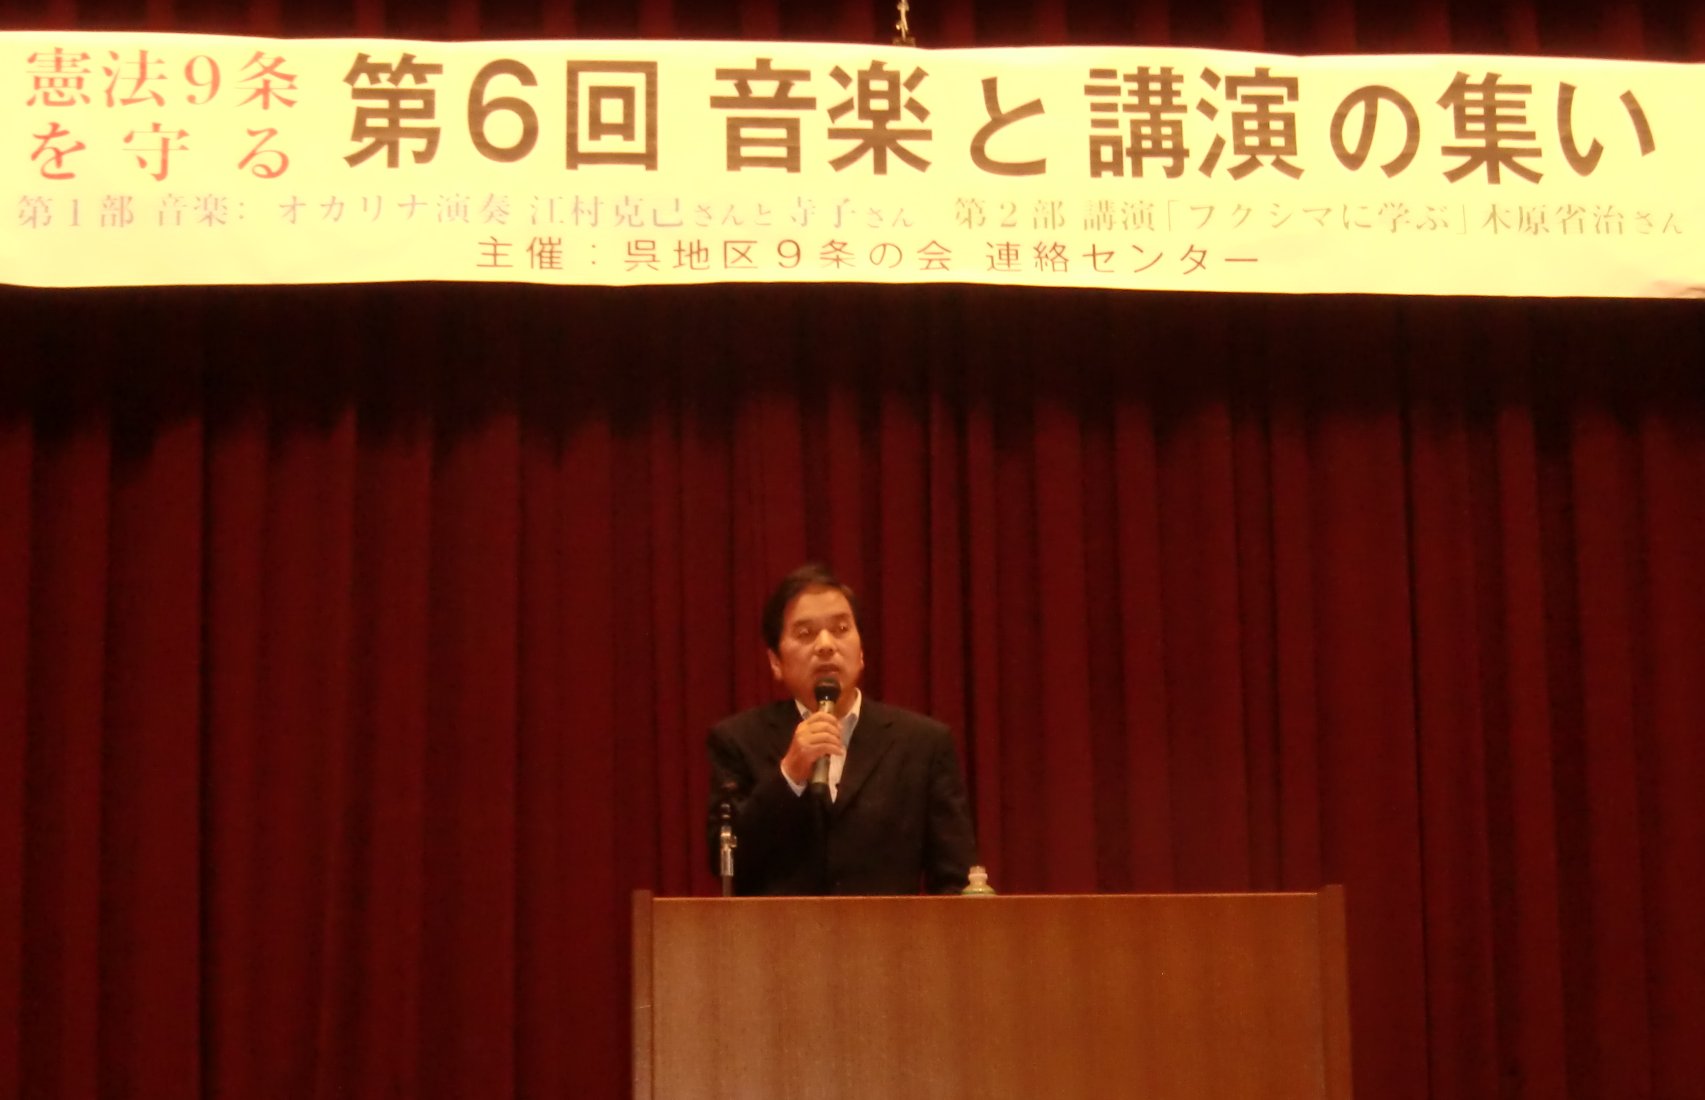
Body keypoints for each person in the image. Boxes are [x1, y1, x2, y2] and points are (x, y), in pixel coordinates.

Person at [705, 563, 979, 895]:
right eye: (805, 634)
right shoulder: (738, 740)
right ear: (776, 662)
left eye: (841, 628)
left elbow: (955, 881)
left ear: (861, 651)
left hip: (887, 930)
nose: (825, 645)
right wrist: (789, 776)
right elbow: (726, 863)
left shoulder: (923, 744)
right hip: (778, 930)